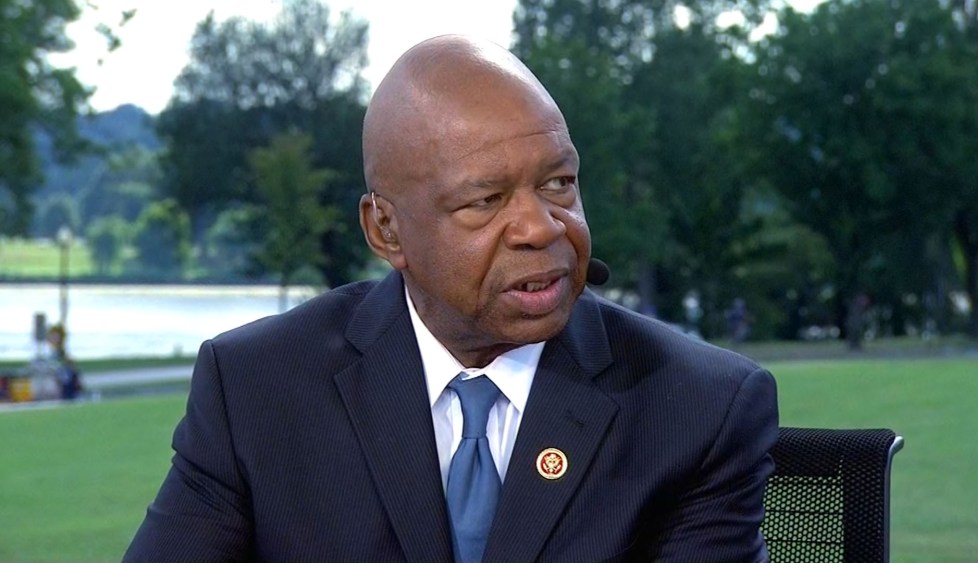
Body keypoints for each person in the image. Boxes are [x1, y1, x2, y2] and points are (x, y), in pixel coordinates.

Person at [125, 35, 778, 561]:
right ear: (386, 230)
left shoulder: (696, 409)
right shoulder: (255, 388)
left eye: (559, 183)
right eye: (486, 200)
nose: (541, 227)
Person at [45, 324, 82, 400]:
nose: (55, 339)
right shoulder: (47, 353)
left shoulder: (64, 353)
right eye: (53, 337)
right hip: (55, 387)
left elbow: (73, 370)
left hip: (67, 387)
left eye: (57, 337)